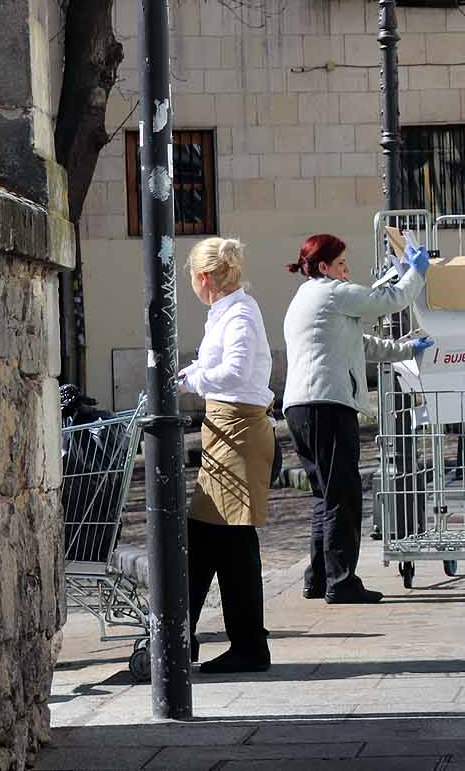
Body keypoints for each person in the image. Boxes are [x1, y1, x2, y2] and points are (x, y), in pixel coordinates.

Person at [283, 233, 433, 604]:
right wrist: (415, 274)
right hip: (328, 405)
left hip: (303, 407)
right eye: (341, 264)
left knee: (326, 496)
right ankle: (342, 582)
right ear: (323, 268)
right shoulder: (332, 292)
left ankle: (318, 578)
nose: (347, 270)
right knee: (343, 497)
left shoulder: (309, 298)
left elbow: (361, 344)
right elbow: (390, 300)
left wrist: (406, 349)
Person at [176, 238, 275, 673]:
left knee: (227, 538)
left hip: (239, 428)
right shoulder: (225, 312)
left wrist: (190, 381)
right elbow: (219, 366)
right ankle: (187, 635)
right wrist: (192, 374)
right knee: (208, 536)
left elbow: (234, 371)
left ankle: (247, 646)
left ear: (202, 278)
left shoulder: (239, 311)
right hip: (226, 429)